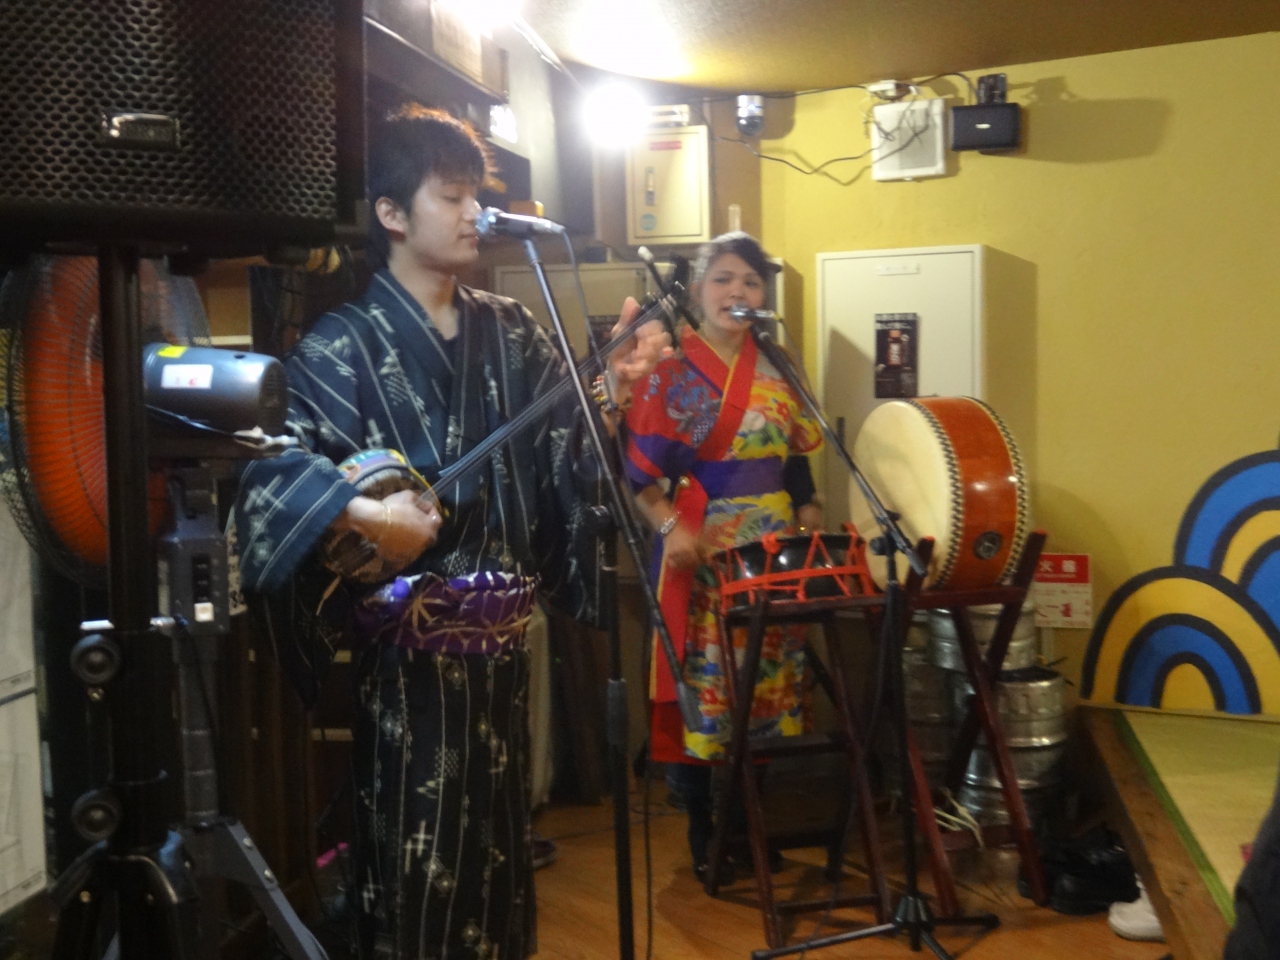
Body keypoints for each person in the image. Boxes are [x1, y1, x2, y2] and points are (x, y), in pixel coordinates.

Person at [234, 106, 670, 960]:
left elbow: (564, 456)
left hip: (504, 658)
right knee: (418, 868)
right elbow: (268, 469)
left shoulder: (512, 330)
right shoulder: (340, 346)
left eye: (477, 195)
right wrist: (365, 515)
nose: (476, 213)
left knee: (500, 865)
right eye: (453, 196)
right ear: (392, 213)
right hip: (409, 671)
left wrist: (611, 391)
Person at [624, 231, 823, 877]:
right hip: (705, 547)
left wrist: (809, 510)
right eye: (724, 278)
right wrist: (669, 529)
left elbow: (796, 455)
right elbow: (640, 475)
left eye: (751, 281)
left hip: (772, 550)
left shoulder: (780, 362)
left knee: (763, 683)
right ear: (698, 289)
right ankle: (705, 832)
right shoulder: (671, 368)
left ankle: (748, 828)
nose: (738, 291)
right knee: (709, 686)